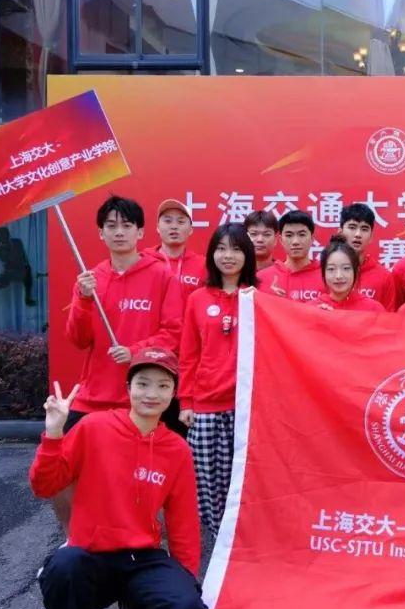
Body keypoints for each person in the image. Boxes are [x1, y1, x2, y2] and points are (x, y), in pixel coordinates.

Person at [31, 348, 207, 609]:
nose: (151, 394)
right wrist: (54, 432)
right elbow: (44, 485)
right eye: (143, 383)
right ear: (128, 388)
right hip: (91, 554)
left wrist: (185, 580)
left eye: (163, 385)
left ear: (173, 393)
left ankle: (134, 607)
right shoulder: (93, 427)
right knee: (63, 568)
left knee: (187, 607)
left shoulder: (177, 449)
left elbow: (183, 520)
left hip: (142, 556)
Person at [60, 195, 184, 528]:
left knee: (137, 481)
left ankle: (138, 539)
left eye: (126, 226)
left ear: (140, 232)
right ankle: (78, 538)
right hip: (94, 396)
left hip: (140, 399)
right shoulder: (91, 279)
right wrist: (83, 300)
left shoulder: (161, 275)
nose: (119, 232)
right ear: (100, 233)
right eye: (111, 226)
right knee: (65, 475)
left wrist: (136, 352)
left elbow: (173, 332)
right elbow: (78, 339)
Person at [178, 223, 258, 535]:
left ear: (247, 255)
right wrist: (186, 401)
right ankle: (216, 538)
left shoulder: (258, 297)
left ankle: (241, 540)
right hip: (205, 406)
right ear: (212, 254)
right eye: (221, 248)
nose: (228, 256)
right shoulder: (197, 299)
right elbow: (189, 354)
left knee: (243, 478)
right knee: (206, 480)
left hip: (245, 407)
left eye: (236, 249)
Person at [146, 198, 206, 302]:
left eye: (180, 222)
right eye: (168, 221)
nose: (174, 226)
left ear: (191, 229)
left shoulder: (203, 265)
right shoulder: (144, 261)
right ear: (158, 227)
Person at [258, 210, 326, 303]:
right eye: (289, 235)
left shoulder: (326, 276)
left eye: (302, 235)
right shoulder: (262, 278)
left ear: (312, 239)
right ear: (281, 240)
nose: (295, 242)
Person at [339, 202, 397, 309]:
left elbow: (389, 317)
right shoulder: (329, 273)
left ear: (371, 237)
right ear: (340, 232)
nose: (358, 234)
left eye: (364, 229)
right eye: (352, 227)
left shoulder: (384, 277)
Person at [309, 236, 386, 312]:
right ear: (323, 272)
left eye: (346, 268)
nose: (338, 276)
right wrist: (317, 317)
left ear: (356, 271)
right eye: (331, 269)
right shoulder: (312, 309)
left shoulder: (374, 309)